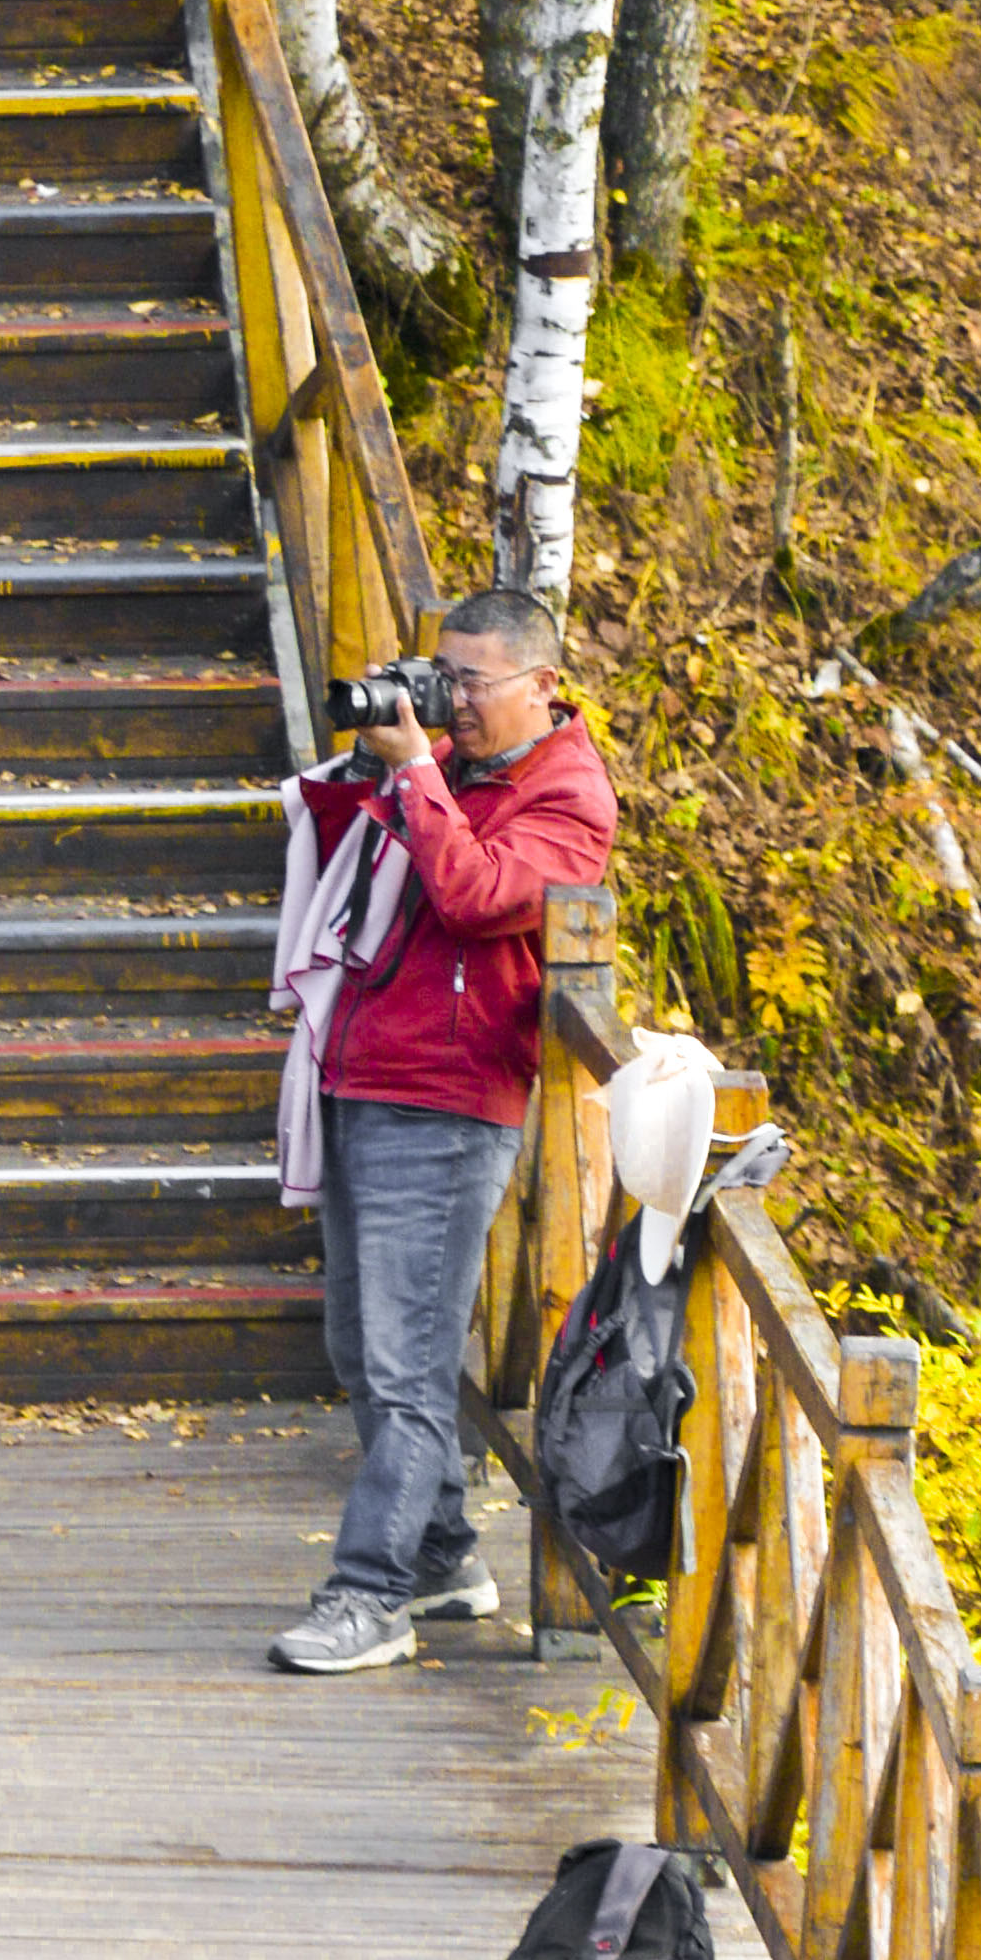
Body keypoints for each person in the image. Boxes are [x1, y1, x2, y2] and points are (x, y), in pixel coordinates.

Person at [263, 583, 620, 1677]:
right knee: (358, 1344)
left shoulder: (570, 799)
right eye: (441, 674)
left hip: (451, 1097)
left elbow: (471, 895)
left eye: (472, 682)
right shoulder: (451, 766)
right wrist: (378, 767)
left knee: (408, 1363)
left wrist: (417, 770)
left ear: (542, 683)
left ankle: (370, 1594)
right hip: (369, 1069)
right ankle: (447, 1556)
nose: (452, 700)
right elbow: (346, 863)